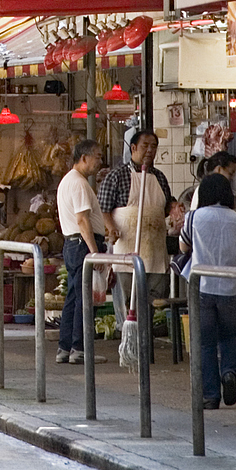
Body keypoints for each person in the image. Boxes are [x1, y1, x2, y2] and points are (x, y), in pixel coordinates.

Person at [99, 126, 179, 331]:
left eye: (154, 146)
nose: (150, 150)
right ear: (133, 147)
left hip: (154, 250)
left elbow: (165, 208)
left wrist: (175, 212)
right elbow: (104, 209)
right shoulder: (116, 176)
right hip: (126, 250)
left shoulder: (160, 177)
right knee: (128, 304)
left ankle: (146, 345)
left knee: (151, 302)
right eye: (145, 146)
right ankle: (129, 345)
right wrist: (111, 228)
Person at [182, 171, 236, 408]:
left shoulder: (194, 217)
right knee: (230, 336)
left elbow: (183, 244)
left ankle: (210, 395)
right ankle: (229, 373)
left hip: (202, 286)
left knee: (205, 341)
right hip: (231, 287)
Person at [55, 140, 106, 366]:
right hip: (82, 244)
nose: (100, 161)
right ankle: (79, 348)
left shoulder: (70, 181)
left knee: (75, 296)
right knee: (83, 298)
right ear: (84, 157)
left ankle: (65, 347)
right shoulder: (78, 184)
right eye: (97, 156)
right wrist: (94, 252)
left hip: (73, 244)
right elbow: (82, 220)